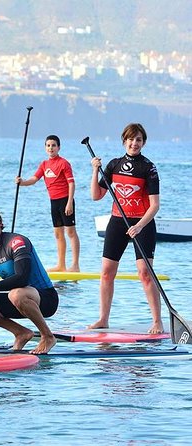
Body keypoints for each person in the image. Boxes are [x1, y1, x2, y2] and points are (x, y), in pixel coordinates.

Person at [88, 123, 162, 334]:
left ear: (143, 143)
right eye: (131, 139)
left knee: (145, 272)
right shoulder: (113, 165)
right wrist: (95, 171)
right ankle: (103, 319)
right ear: (124, 141)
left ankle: (157, 321)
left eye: (138, 140)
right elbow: (96, 196)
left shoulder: (149, 168)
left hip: (142, 223)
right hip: (118, 221)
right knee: (106, 273)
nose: (134, 143)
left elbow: (155, 205)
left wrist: (138, 226)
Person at [0, 206, 58, 354]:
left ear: (0, 223)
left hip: (46, 299)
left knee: (15, 294)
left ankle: (47, 336)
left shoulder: (17, 242)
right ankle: (21, 333)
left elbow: (22, 277)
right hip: (20, 301)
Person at [16, 135, 80, 272]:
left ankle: (75, 265)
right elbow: (34, 179)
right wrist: (22, 182)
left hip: (65, 200)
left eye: (53, 145)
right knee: (58, 233)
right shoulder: (44, 164)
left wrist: (69, 203)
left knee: (70, 232)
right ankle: (61, 265)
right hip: (54, 202)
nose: (51, 148)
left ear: (59, 147)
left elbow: (71, 183)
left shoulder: (64, 163)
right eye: (48, 145)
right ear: (45, 148)